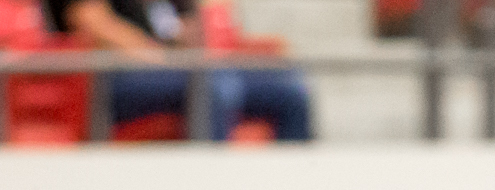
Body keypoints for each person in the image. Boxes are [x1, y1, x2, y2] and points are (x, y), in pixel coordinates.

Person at [44, 0, 313, 141]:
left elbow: (192, 24)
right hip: (113, 74)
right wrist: (155, 55)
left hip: (179, 68)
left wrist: (198, 34)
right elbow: (91, 21)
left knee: (289, 90)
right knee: (213, 86)